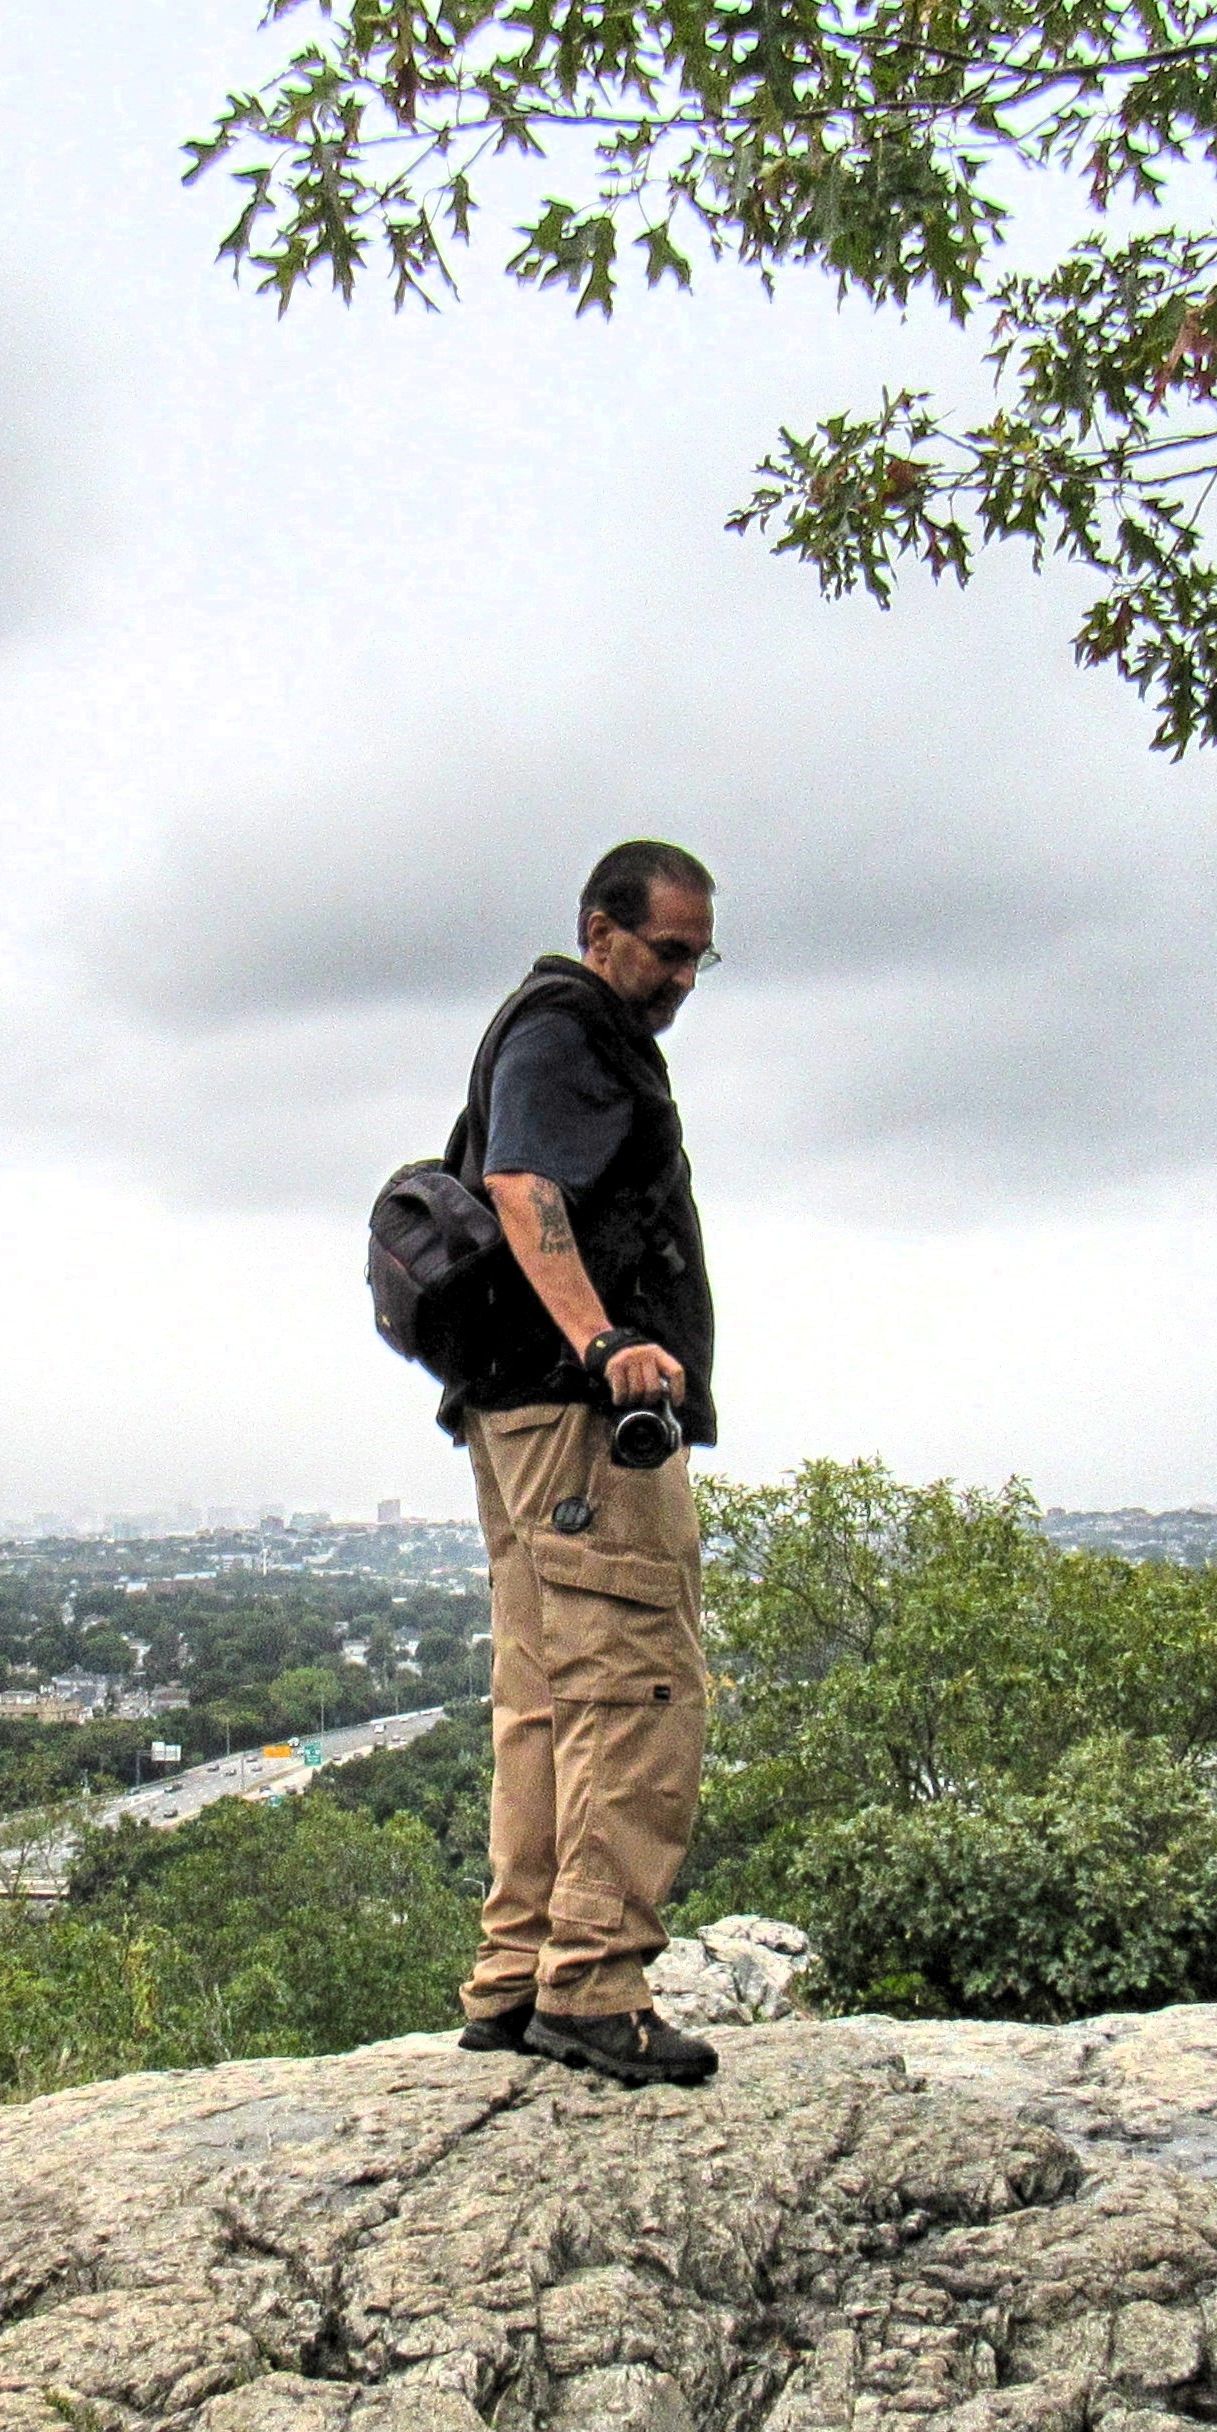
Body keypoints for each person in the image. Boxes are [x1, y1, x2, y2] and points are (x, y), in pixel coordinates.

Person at [450, 838, 725, 2086]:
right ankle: (595, 1987)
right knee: (636, 1686)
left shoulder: (554, 1025)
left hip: (520, 1412)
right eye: (667, 951)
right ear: (600, 930)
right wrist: (606, 1341)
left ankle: (517, 1977)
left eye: (701, 957)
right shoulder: (569, 1027)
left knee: (548, 1700)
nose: (683, 978)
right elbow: (521, 1185)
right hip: (579, 1419)